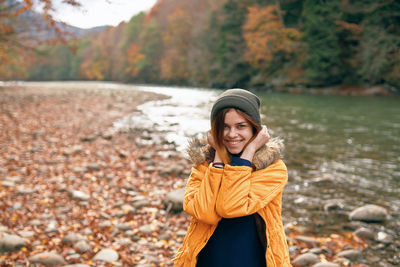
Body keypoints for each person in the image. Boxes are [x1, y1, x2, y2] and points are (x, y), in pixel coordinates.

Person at [173, 89, 291, 267]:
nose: (231, 134)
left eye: (241, 126)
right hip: (206, 261)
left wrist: (248, 155)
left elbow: (231, 207)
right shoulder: (204, 165)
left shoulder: (272, 169)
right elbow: (204, 214)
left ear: (255, 129)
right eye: (225, 127)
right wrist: (218, 160)